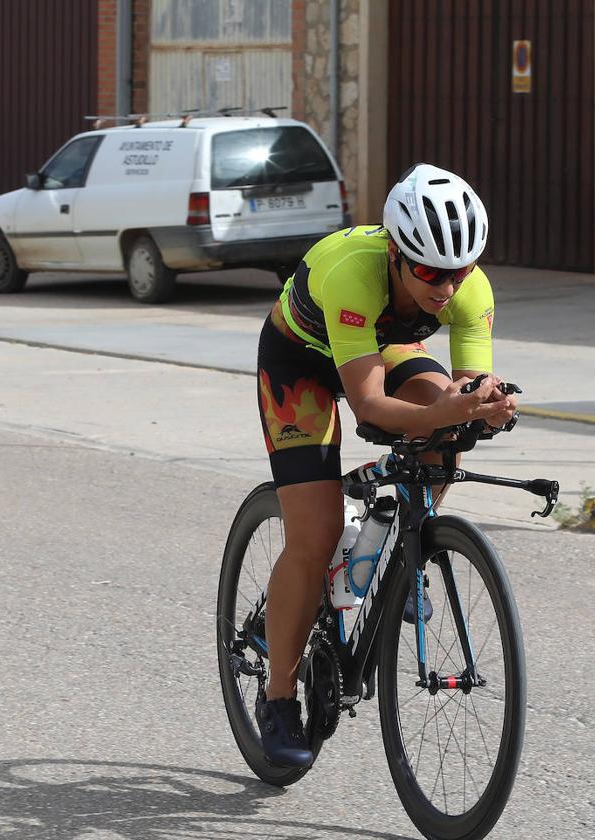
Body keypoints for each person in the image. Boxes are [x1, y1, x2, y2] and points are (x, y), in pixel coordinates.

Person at [254, 163, 517, 766]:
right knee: (315, 534)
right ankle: (278, 697)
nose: (446, 288)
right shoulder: (355, 273)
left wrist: (483, 402)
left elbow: (467, 381)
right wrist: (450, 408)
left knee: (449, 425)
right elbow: (371, 405)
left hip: (385, 345)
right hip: (302, 361)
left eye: (458, 271)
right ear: (397, 253)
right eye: (428, 272)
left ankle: (408, 553)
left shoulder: (469, 288)